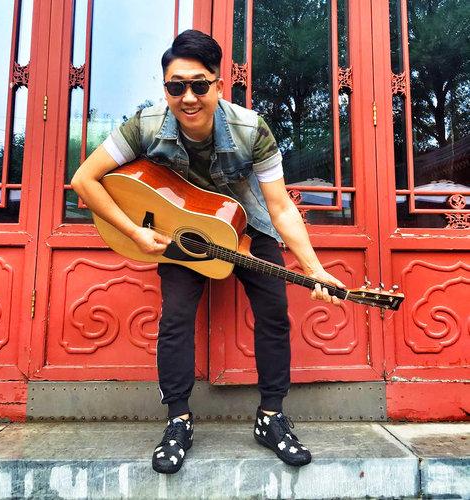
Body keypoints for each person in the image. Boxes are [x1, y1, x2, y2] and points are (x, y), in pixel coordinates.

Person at [72, 29, 345, 474]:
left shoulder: (251, 129)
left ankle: (271, 417)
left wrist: (313, 269)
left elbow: (280, 207)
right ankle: (178, 420)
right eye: (176, 86)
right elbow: (84, 179)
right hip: (179, 233)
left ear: (219, 83)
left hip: (247, 225)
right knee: (176, 319)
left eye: (200, 85)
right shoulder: (144, 125)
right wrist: (134, 232)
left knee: (275, 313)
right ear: (165, 87)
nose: (188, 97)